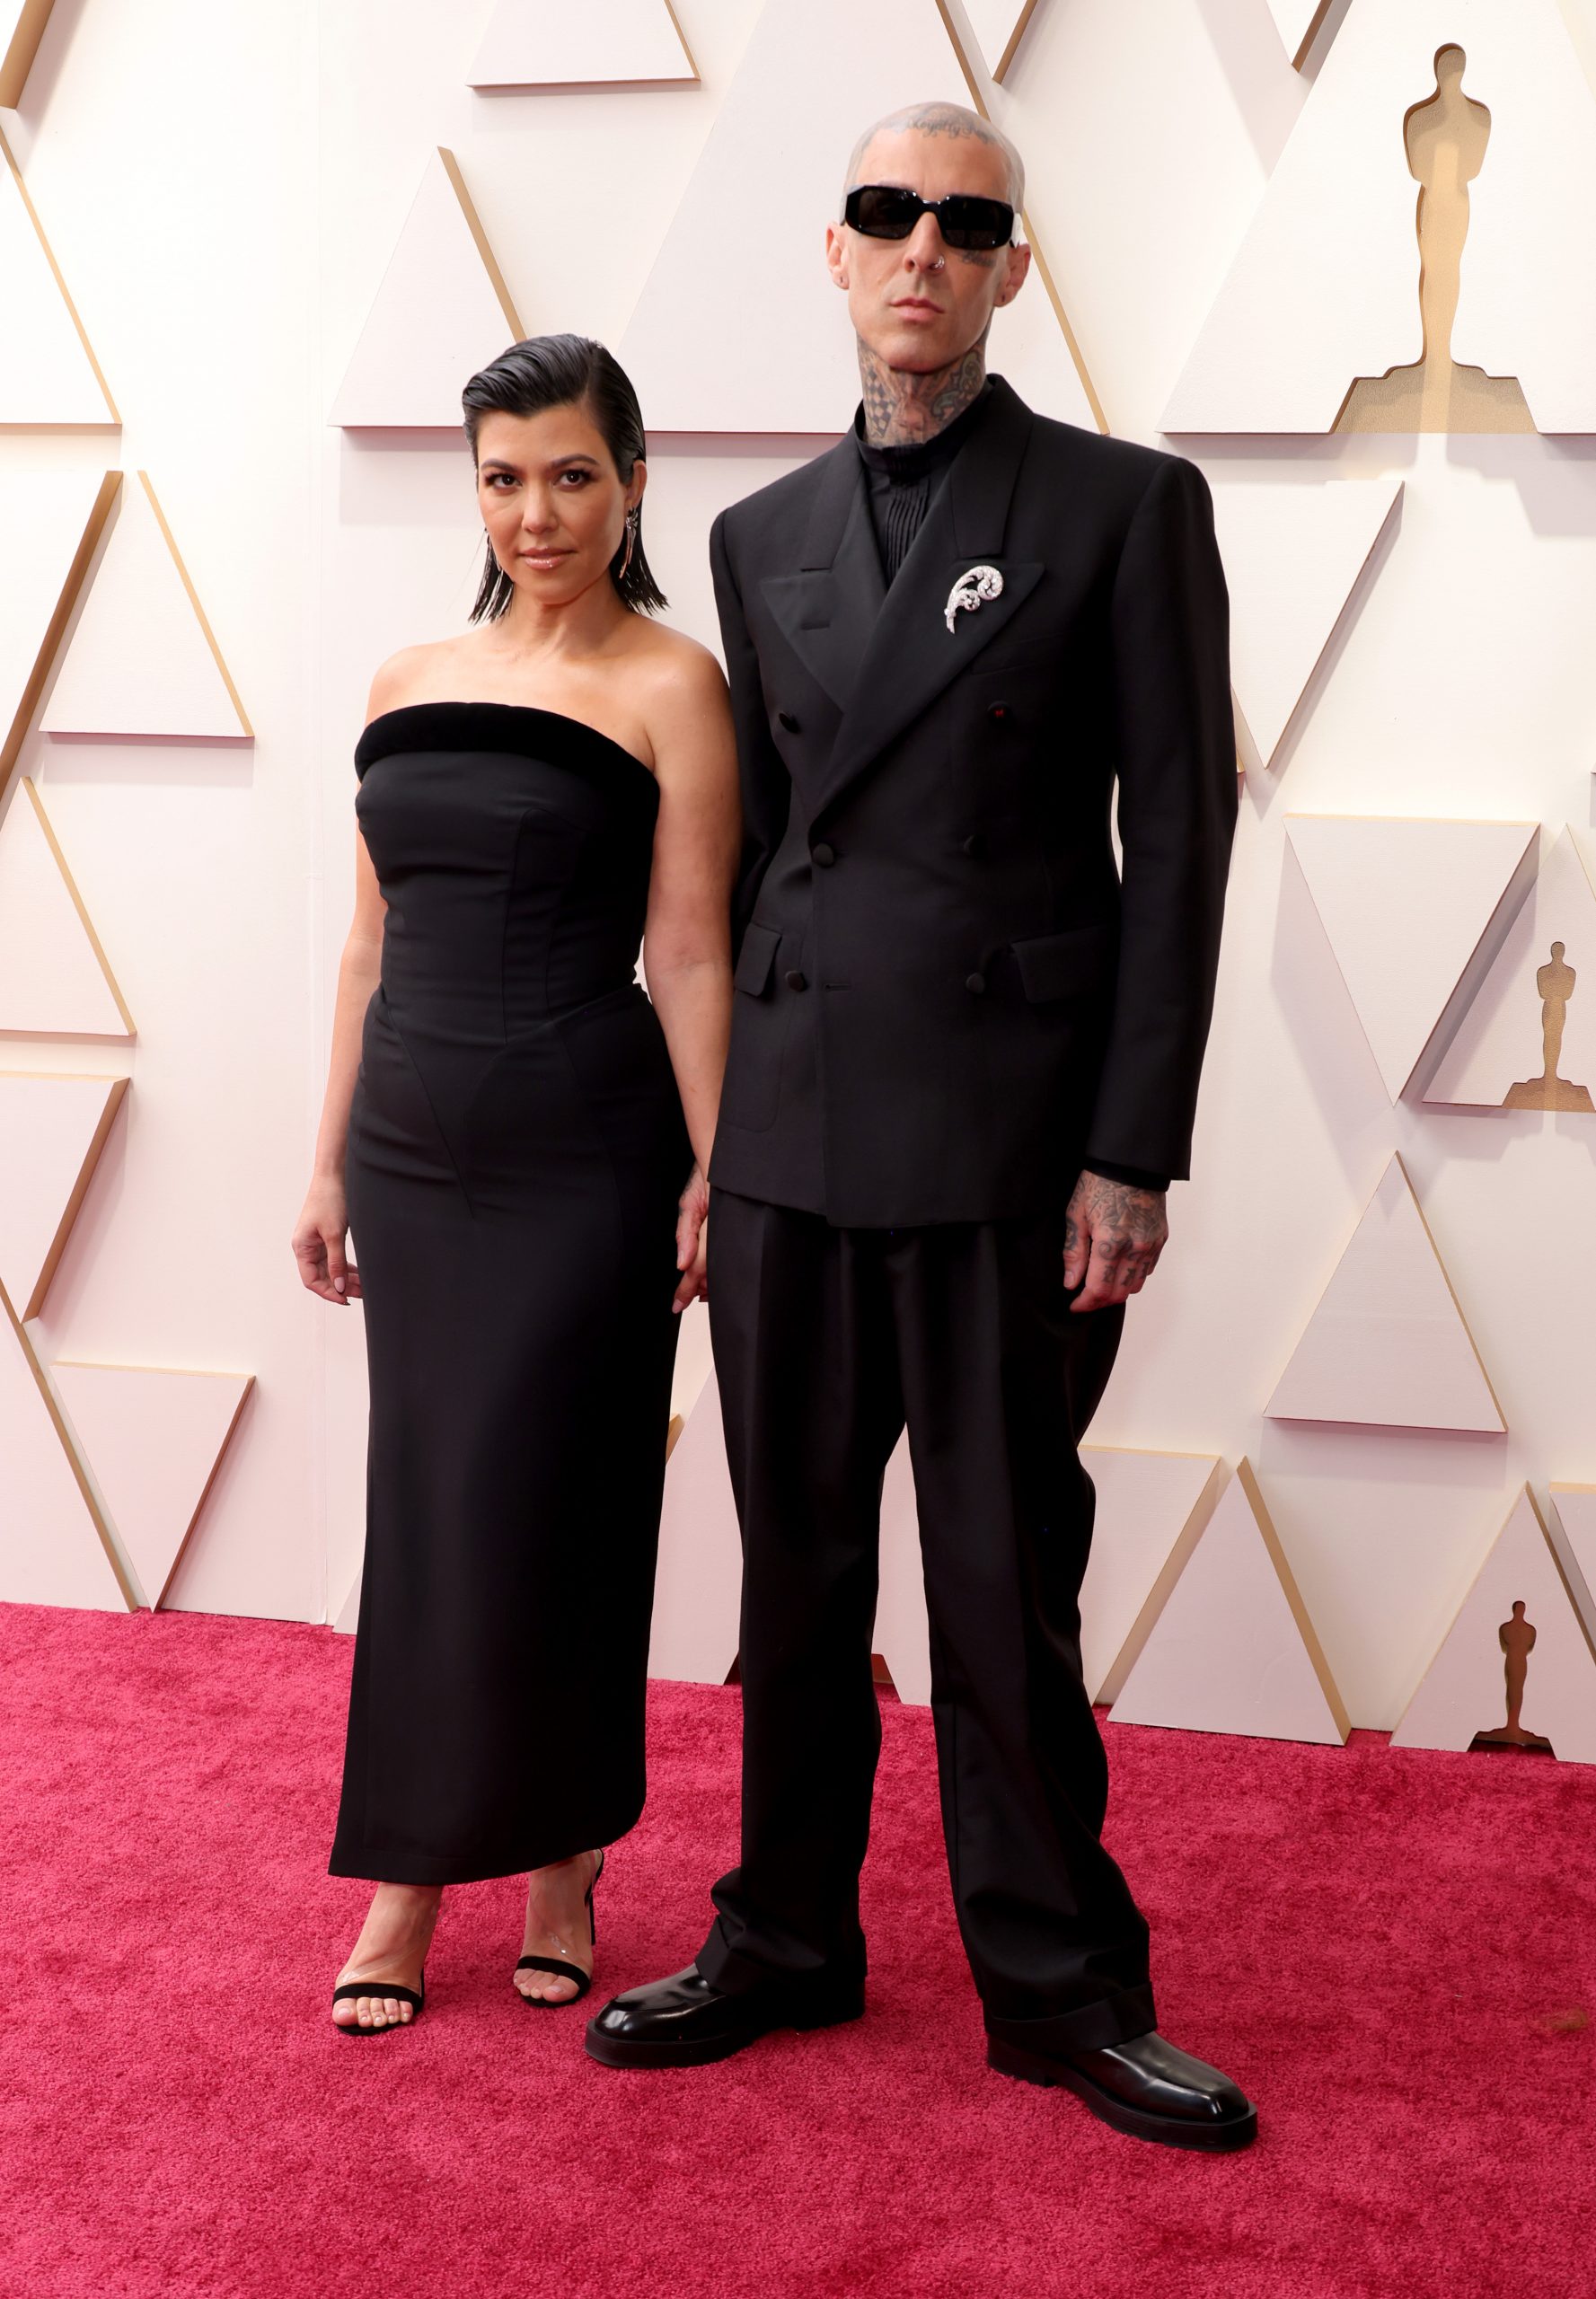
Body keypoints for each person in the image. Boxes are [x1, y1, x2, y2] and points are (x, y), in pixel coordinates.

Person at [585, 105, 1255, 2152]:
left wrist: (1130, 1148)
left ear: (1010, 270)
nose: (922, 250)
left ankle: (1058, 1983)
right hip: (789, 1131)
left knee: (999, 1582)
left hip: (1004, 1145)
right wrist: (709, 1147)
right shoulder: (757, 533)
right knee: (792, 1574)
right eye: (887, 214)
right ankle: (786, 1929)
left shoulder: (1125, 507)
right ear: (836, 249)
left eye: (966, 224)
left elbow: (1179, 844)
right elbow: (754, 861)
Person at [292, 334, 738, 2031]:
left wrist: (717, 1165)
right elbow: (365, 946)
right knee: (426, 1506)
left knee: (565, 1502)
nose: (534, 513)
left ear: (631, 482)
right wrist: (325, 1159)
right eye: (501, 478)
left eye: (569, 475)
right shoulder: (405, 678)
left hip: (584, 1144)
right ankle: (405, 1879)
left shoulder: (672, 685)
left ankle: (563, 1855)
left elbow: (687, 949)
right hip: (411, 1146)